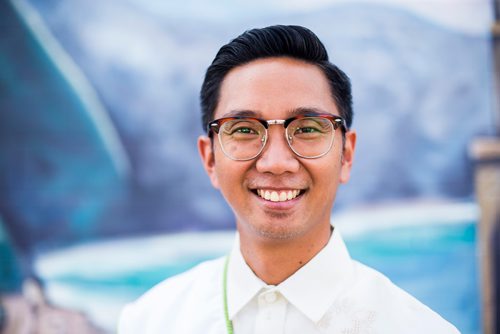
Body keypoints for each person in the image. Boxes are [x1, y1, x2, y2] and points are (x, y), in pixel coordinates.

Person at [118, 25, 460, 334]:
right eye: (245, 130)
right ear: (210, 158)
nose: (277, 163)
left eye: (308, 128)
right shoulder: (151, 321)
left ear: (347, 155)